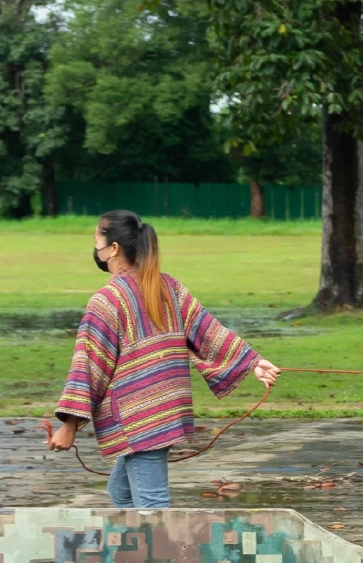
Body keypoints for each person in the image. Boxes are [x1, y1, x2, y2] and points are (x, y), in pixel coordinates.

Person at [46, 210, 280, 508]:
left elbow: (90, 366)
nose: (95, 248)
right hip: (166, 410)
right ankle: (136, 540)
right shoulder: (168, 286)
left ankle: (157, 541)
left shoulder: (106, 301)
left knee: (152, 506)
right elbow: (208, 330)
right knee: (122, 493)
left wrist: (69, 425)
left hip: (139, 417)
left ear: (113, 248)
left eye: (96, 241)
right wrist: (252, 361)